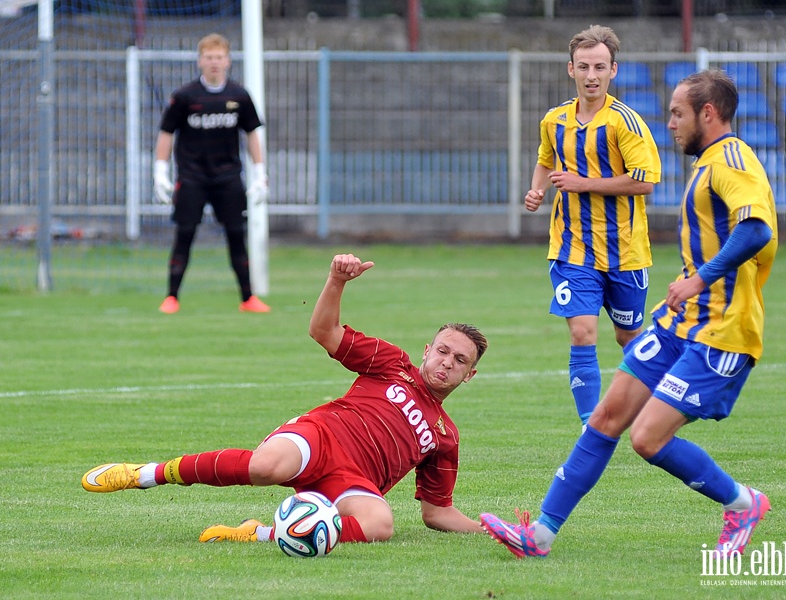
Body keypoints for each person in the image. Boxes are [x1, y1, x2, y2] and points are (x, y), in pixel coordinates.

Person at [481, 68, 778, 559]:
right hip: (679, 321)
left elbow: (755, 232)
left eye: (678, 114)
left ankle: (742, 503)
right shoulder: (707, 164)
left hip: (721, 332)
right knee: (605, 416)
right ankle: (539, 536)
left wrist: (700, 279)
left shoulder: (732, 160)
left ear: (708, 113)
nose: (671, 124)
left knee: (646, 438)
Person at [82, 253, 488, 545]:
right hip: (322, 436)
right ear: (425, 350)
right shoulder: (393, 363)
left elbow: (437, 513)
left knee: (380, 524)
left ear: (469, 375)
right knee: (265, 466)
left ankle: (258, 533)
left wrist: (491, 528)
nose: (446, 362)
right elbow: (324, 332)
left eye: (458, 360)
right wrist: (337, 280)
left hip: (353, 481)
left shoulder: (445, 435)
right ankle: (148, 473)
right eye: (441, 351)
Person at [525, 25, 662, 427]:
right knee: (583, 333)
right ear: (571, 69)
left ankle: (655, 410)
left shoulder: (626, 123)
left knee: (628, 338)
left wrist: (584, 184)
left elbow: (645, 181)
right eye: (583, 66)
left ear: (612, 71)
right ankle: (591, 426)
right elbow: (546, 160)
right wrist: (536, 192)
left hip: (625, 251)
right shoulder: (554, 121)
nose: (591, 75)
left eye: (599, 67)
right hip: (571, 250)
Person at [153, 33, 270, 315]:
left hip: (228, 177)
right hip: (192, 177)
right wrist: (160, 171)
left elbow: (252, 134)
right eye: (209, 57)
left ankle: (248, 298)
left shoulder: (239, 96)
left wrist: (260, 174)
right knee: (185, 234)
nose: (214, 63)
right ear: (199, 61)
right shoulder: (184, 96)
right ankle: (171, 297)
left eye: (219, 57)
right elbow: (166, 133)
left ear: (228, 61)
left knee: (235, 235)